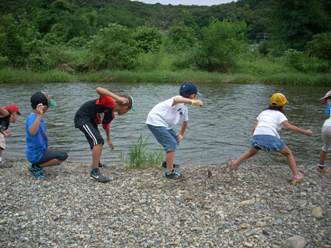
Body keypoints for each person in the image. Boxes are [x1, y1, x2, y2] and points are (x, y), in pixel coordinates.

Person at [228, 92, 313, 185]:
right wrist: (305, 132)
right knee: (288, 153)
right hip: (269, 136)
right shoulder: (280, 115)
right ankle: (296, 175)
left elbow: (254, 128)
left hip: (257, 135)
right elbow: (288, 126)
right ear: (282, 105)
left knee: (252, 151)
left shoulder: (263, 112)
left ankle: (235, 163)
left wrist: (257, 138)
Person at [74, 87, 133, 183]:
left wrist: (109, 139)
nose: (126, 113)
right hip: (82, 118)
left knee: (98, 141)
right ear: (125, 107)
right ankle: (94, 171)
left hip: (92, 121)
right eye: (127, 111)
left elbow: (106, 125)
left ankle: (97, 163)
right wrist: (117, 98)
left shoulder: (111, 114)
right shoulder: (109, 100)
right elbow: (98, 89)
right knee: (98, 141)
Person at [146, 82, 203, 179]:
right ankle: (169, 172)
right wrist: (193, 102)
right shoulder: (178, 99)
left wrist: (181, 134)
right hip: (155, 121)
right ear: (192, 95)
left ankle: (167, 163)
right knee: (171, 144)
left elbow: (185, 122)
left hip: (164, 124)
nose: (196, 97)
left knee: (175, 140)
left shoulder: (184, 108)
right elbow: (176, 99)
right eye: (195, 95)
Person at [25, 92, 68, 179]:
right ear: (42, 107)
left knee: (59, 153)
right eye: (47, 107)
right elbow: (32, 132)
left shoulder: (38, 118)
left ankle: (36, 164)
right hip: (35, 155)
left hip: (40, 151)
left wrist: (47, 147)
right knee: (62, 156)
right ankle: (36, 167)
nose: (48, 109)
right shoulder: (33, 118)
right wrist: (40, 115)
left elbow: (42, 135)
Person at [316, 90, 331, 174]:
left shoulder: (329, 106)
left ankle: (320, 167)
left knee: (325, 147)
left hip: (326, 126)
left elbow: (327, 114)